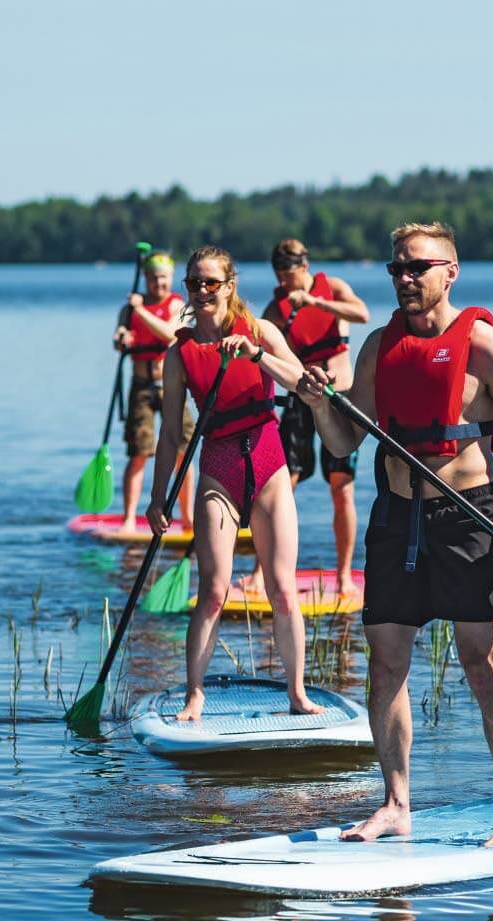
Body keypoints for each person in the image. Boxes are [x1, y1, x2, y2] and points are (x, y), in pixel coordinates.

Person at [298, 222, 493, 847]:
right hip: (394, 518)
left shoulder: (486, 347)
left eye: (417, 267)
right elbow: (344, 439)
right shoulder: (377, 347)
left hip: (470, 519)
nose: (405, 279)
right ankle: (395, 805)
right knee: (386, 664)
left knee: (480, 661)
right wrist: (316, 407)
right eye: (396, 269)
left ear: (451, 271)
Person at [147, 245, 322, 720]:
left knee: (283, 589)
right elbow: (168, 436)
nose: (201, 291)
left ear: (228, 286)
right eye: (194, 284)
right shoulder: (179, 354)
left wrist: (257, 353)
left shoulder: (260, 330)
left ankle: (297, 693)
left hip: (268, 463)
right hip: (218, 468)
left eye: (210, 283)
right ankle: (195, 695)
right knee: (215, 589)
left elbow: (302, 383)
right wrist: (157, 497)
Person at [243, 239, 369, 598]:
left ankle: (344, 574)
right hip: (301, 398)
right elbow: (259, 347)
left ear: (305, 266)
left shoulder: (334, 288)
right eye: (280, 275)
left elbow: (362, 314)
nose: (286, 282)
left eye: (291, 274)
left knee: (340, 486)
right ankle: (259, 571)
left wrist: (315, 302)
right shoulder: (276, 307)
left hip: (340, 395)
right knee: (282, 484)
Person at [112, 251, 196, 533]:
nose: (158, 283)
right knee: (139, 453)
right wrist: (122, 338)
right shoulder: (128, 310)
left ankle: (188, 519)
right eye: (153, 278)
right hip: (141, 388)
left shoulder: (178, 306)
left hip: (172, 386)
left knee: (183, 452)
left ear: (170, 278)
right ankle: (127, 520)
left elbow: (170, 334)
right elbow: (120, 340)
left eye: (163, 278)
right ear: (146, 278)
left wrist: (141, 311)